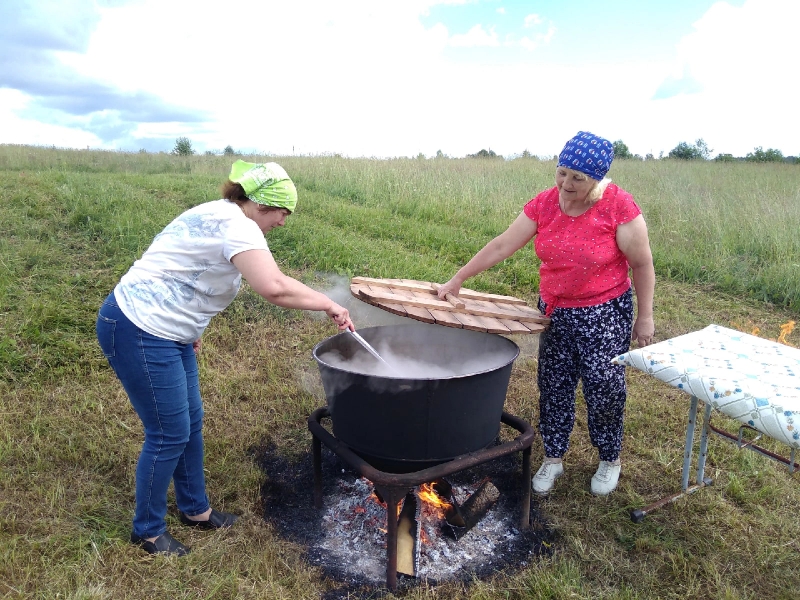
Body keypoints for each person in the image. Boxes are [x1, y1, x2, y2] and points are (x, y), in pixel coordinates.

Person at [96, 160, 354, 556]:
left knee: (189, 422)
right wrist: (327, 304)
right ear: (263, 205)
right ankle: (146, 530)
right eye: (283, 213)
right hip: (140, 327)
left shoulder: (220, 214)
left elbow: (190, 272)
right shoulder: (237, 226)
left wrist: (192, 331)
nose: (283, 223)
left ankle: (195, 509)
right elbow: (274, 288)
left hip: (169, 330)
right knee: (168, 433)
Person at [437, 131, 655, 497]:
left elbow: (642, 264)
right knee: (554, 387)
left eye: (577, 178)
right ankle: (553, 457)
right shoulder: (545, 203)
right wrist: (460, 277)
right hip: (556, 311)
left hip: (604, 313)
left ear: (597, 179)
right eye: (561, 173)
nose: (566, 184)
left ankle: (609, 458)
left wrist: (644, 316)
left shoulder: (619, 208)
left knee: (604, 388)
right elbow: (505, 243)